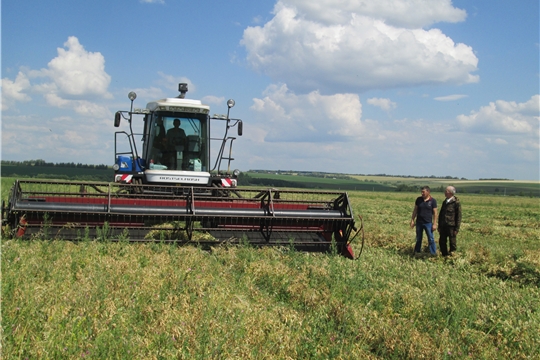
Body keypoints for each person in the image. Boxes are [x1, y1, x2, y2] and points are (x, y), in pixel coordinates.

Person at [410, 186, 438, 256]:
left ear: (428, 192)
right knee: (418, 238)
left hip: (428, 223)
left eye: (423, 192)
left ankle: (433, 253)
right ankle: (417, 252)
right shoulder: (419, 199)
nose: (422, 193)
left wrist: (434, 224)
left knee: (431, 238)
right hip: (419, 222)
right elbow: (415, 210)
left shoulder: (433, 201)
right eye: (421, 192)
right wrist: (412, 220)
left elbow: (435, 213)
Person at [438, 186, 462, 257]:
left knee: (452, 242)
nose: (445, 192)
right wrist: (439, 225)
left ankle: (452, 256)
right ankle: (444, 255)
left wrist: (457, 228)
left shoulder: (456, 202)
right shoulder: (444, 202)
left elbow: (459, 216)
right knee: (442, 241)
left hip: (451, 226)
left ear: (451, 193)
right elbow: (441, 214)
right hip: (443, 225)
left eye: (446, 191)